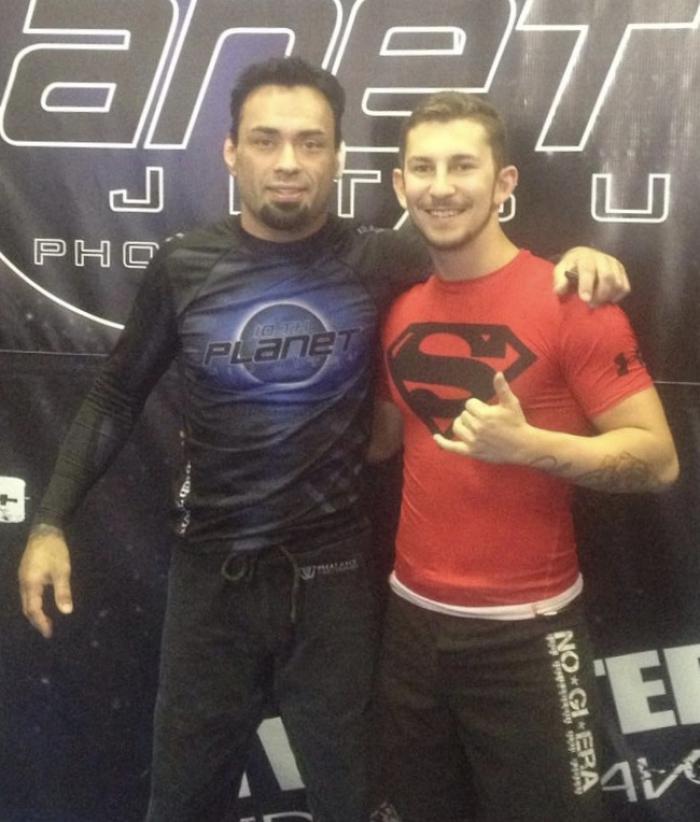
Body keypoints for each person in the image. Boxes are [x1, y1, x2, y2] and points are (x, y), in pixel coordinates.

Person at [18, 57, 631, 822]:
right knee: (180, 803)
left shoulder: (382, 260)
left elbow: (487, 260)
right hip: (210, 579)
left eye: (310, 143)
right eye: (266, 140)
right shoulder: (184, 266)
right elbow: (115, 393)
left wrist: (579, 259)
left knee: (354, 802)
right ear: (231, 152)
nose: (288, 162)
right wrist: (50, 520)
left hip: (334, 582)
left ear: (338, 158)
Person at [368, 91, 679, 822]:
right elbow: (379, 441)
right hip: (410, 624)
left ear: (504, 182)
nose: (442, 186)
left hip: (528, 634)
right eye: (424, 168)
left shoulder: (572, 299)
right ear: (400, 186)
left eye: (463, 166)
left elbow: (658, 459)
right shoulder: (400, 308)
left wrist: (528, 446)